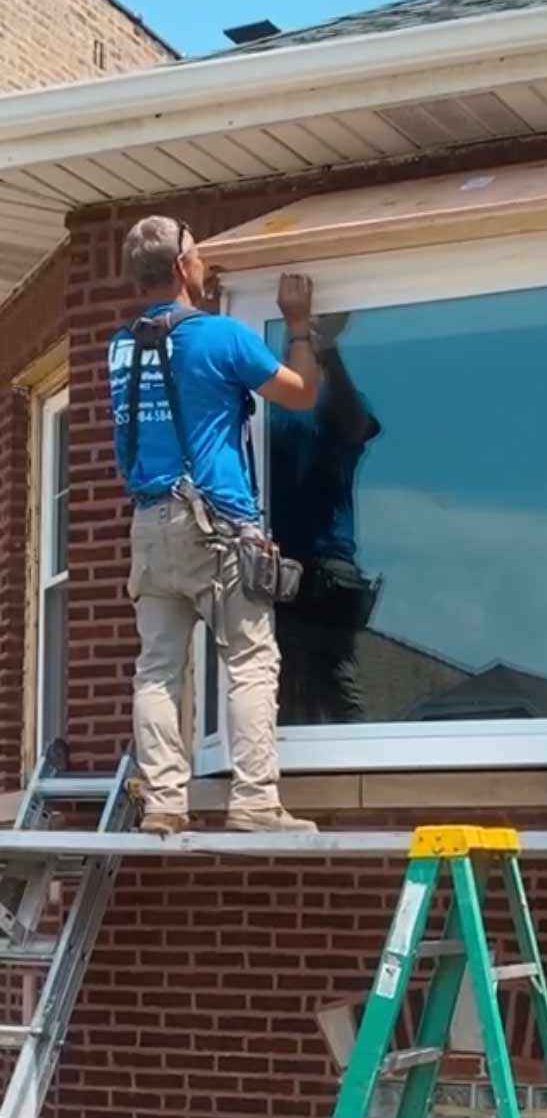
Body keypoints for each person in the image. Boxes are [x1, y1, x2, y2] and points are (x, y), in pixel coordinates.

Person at [109, 215, 323, 836]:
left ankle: (164, 804)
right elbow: (301, 394)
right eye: (197, 255)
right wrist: (299, 324)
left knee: (156, 669)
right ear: (180, 267)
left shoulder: (121, 347)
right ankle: (255, 801)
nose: (203, 262)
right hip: (217, 524)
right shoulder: (222, 337)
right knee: (251, 660)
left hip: (149, 526)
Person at [270, 312, 382, 726]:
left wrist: (328, 351)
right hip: (277, 570)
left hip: (325, 569)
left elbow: (354, 426)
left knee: (331, 680)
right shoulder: (271, 412)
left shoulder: (330, 405)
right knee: (280, 687)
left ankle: (357, 772)